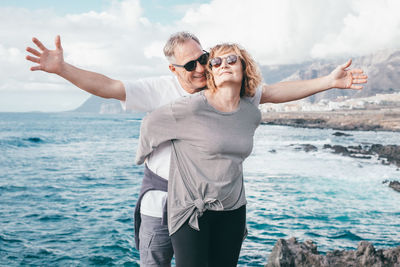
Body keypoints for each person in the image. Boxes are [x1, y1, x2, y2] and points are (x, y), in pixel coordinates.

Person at [25, 32, 367, 267]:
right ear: (174, 69)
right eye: (190, 65)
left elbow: (275, 92)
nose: (202, 68)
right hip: (163, 198)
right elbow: (110, 87)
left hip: (216, 204)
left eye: (204, 59)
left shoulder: (229, 91)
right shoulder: (160, 91)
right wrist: (62, 69)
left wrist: (329, 82)